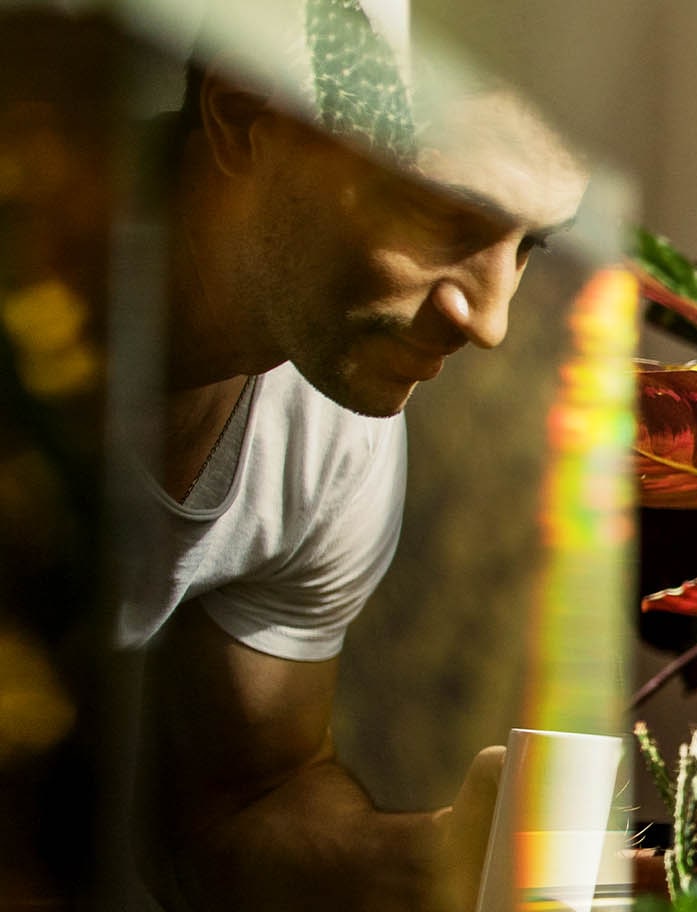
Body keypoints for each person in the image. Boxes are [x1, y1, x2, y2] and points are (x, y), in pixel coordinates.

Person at [122, 3, 587, 905]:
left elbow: (239, 807)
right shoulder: (38, 285)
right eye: (448, 212)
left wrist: (447, 864)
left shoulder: (332, 424)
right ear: (244, 112)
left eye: (529, 244)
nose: (490, 322)